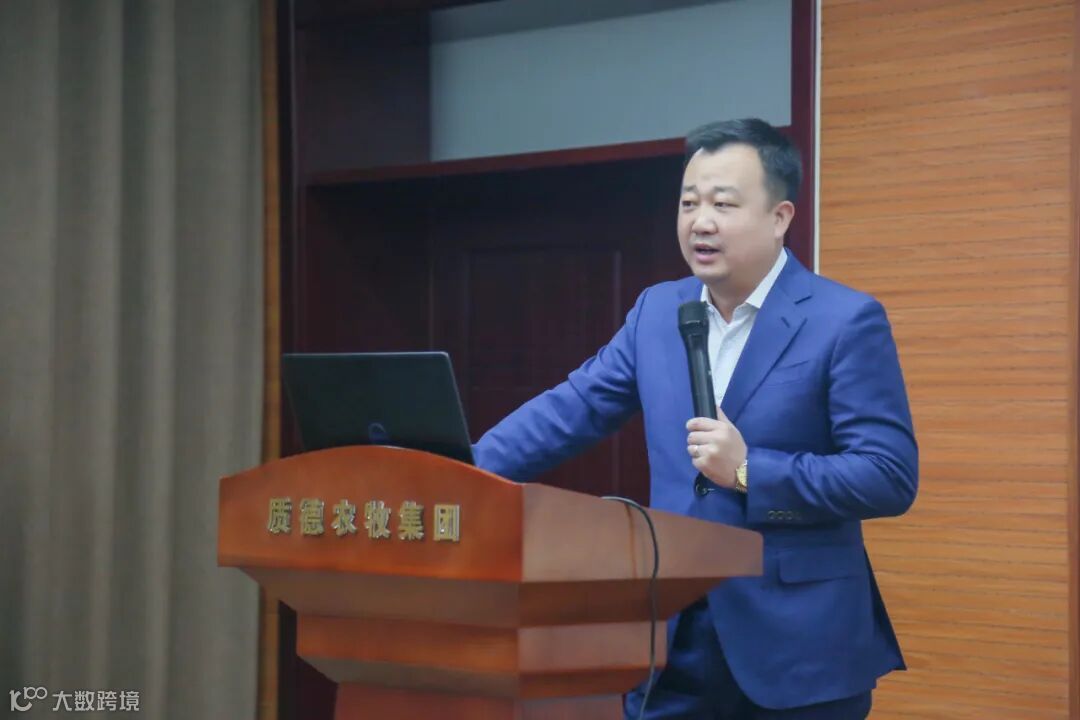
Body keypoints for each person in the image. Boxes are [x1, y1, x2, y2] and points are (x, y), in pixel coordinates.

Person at [473, 118, 918, 719]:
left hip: (798, 646)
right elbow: (572, 409)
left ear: (780, 217)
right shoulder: (659, 310)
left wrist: (750, 471)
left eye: (723, 204)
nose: (700, 222)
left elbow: (888, 475)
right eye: (689, 203)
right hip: (674, 634)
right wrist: (457, 470)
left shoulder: (844, 320)